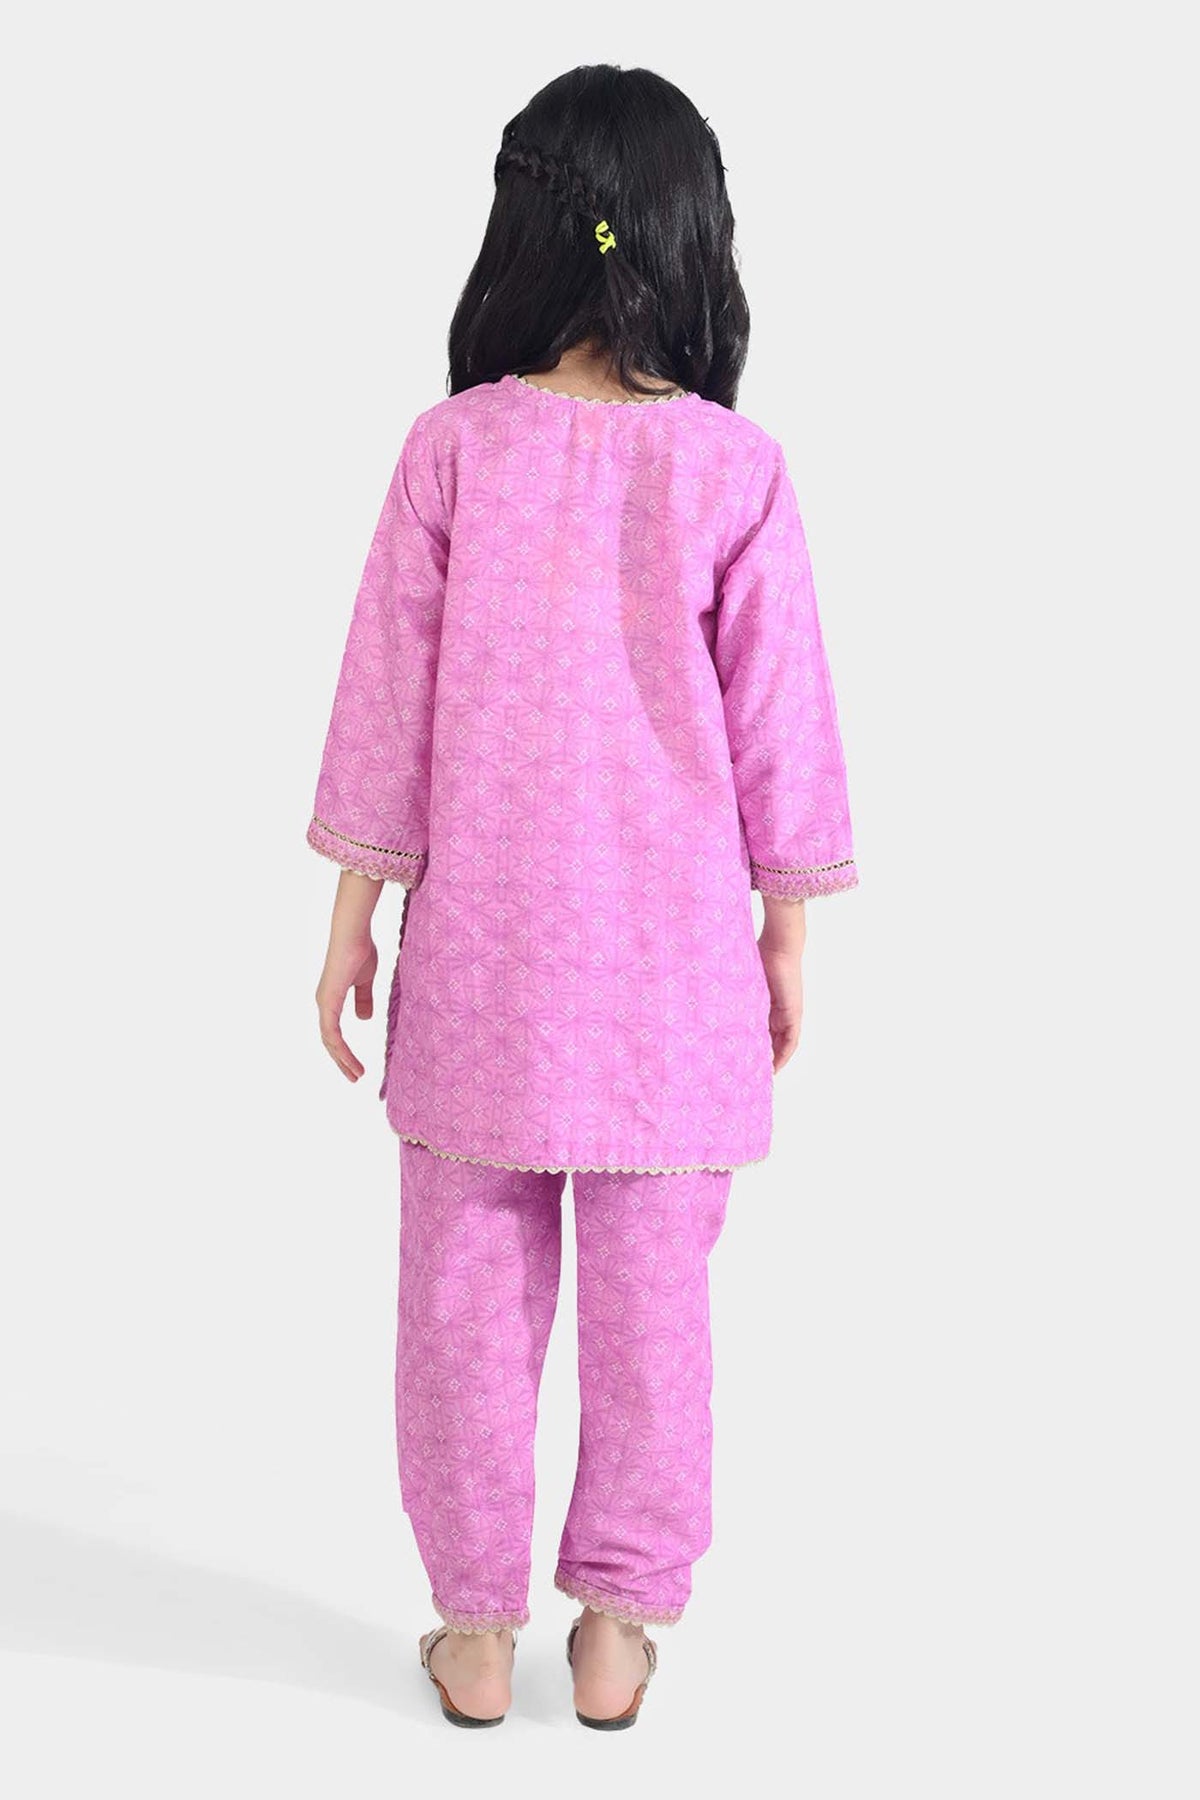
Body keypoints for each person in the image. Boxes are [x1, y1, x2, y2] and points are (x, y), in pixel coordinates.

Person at [306, 62, 860, 1730]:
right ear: (691, 236)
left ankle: (476, 1633)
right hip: (670, 983)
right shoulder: (734, 470)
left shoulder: (452, 451)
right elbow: (783, 725)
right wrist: (786, 929)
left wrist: (350, 917)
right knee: (655, 1317)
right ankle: (617, 1631)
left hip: (481, 965)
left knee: (461, 1303)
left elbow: (385, 704)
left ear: (525, 230)